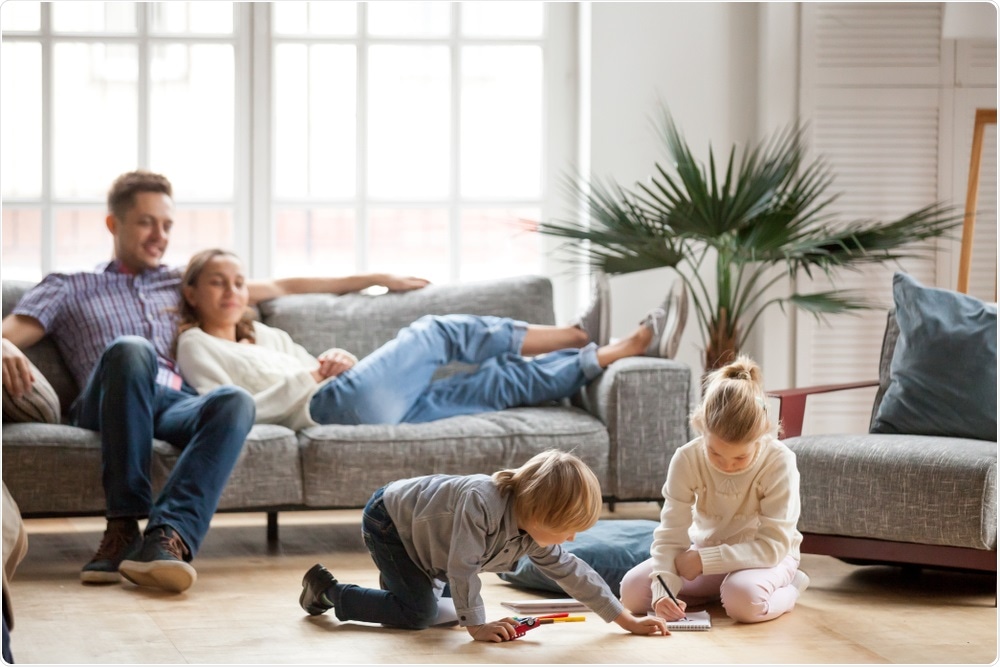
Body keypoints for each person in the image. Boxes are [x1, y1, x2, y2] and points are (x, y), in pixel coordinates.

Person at [0, 170, 429, 594]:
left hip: (172, 402)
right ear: (114, 224)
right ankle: (122, 526)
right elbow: (12, 331)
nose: (159, 235)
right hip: (108, 400)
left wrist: (377, 279)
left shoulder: (181, 281)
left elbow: (285, 284)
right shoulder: (70, 286)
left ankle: (167, 540)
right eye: (146, 222)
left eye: (167, 224)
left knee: (233, 401)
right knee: (132, 349)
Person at [172, 249, 684, 428]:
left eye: (239, 281)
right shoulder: (196, 345)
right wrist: (312, 377)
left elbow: (315, 363)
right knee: (436, 332)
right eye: (217, 282)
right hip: (327, 408)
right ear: (192, 292)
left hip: (353, 399)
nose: (232, 291)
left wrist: (335, 358)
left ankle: (616, 350)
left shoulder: (264, 333)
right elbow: (225, 410)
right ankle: (575, 333)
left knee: (495, 384)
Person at [297, 449, 669, 640]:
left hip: (430, 543)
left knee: (439, 614)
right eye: (566, 530)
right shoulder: (482, 501)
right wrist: (478, 626)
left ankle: (402, 591)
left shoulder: (533, 533)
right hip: (391, 523)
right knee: (421, 615)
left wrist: (627, 620)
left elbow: (575, 573)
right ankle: (329, 591)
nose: (570, 540)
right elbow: (463, 567)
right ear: (539, 513)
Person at [619, 355, 808, 624]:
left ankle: (789, 589)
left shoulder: (780, 461)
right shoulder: (686, 458)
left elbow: (772, 546)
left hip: (767, 558)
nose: (727, 465)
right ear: (701, 428)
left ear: (762, 435)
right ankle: (718, 592)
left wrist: (704, 561)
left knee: (744, 602)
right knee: (632, 594)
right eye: (715, 453)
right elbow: (671, 535)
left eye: (740, 458)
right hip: (705, 553)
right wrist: (663, 592)